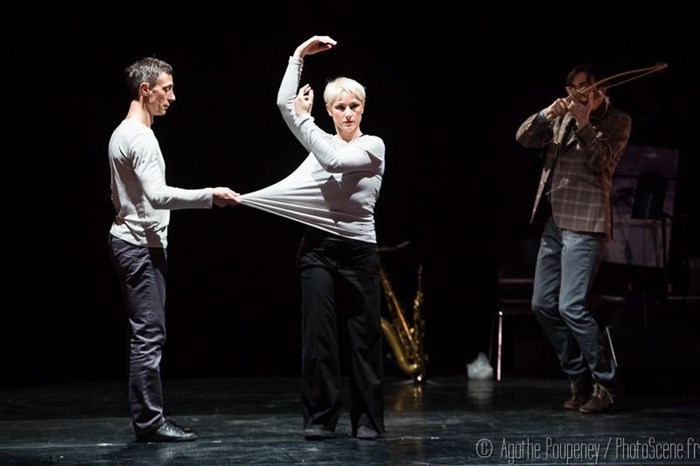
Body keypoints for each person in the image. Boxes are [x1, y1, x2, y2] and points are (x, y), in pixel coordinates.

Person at [240, 35, 386, 440]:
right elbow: (283, 104)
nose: (347, 113)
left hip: (359, 251)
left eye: (353, 105)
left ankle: (368, 421)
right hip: (317, 249)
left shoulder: (373, 146)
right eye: (339, 107)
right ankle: (320, 418)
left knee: (363, 338)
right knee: (318, 337)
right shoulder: (318, 140)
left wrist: (305, 121)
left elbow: (335, 159)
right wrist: (298, 56)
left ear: (363, 107)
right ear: (329, 110)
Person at [108, 56, 241, 442]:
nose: (172, 96)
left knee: (146, 334)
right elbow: (158, 195)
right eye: (166, 89)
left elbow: (120, 192)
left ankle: (148, 420)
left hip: (131, 242)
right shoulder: (140, 137)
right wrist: (210, 195)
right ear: (145, 90)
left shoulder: (122, 132)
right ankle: (150, 423)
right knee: (148, 336)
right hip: (139, 246)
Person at [515, 63, 632, 414]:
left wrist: (583, 122)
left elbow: (600, 161)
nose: (583, 92)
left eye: (590, 86)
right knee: (541, 305)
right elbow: (523, 138)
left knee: (571, 306)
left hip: (585, 222)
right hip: (555, 222)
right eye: (577, 87)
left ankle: (608, 383)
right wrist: (548, 113)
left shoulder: (617, 121)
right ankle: (579, 376)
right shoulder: (562, 115)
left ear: (602, 89)